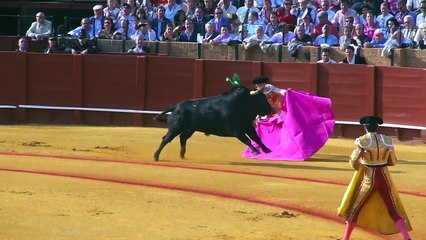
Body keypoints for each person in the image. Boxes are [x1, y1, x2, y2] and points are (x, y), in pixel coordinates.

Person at [338, 116, 412, 240]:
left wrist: (361, 167)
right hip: (385, 178)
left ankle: (345, 238)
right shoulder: (387, 140)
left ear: (365, 127)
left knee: (354, 209)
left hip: (369, 179)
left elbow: (353, 161)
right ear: (377, 127)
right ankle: (407, 238)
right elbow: (393, 162)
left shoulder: (362, 141)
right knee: (393, 210)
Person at [242, 76, 335, 161]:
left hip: (278, 114)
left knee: (287, 132)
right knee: (262, 128)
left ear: (264, 84)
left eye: (259, 85)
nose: (257, 87)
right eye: (256, 86)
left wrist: (288, 92)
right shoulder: (257, 93)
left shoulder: (270, 88)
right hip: (269, 115)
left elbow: (281, 91)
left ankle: (295, 149)